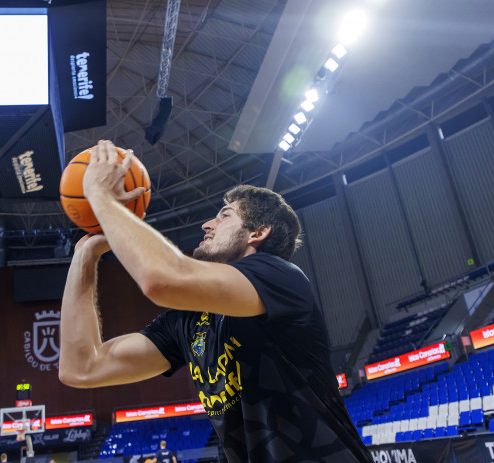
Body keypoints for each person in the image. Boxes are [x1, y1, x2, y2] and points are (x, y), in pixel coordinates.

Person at [59, 140, 372, 462]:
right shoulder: (188, 320)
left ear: (257, 233)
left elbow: (162, 279)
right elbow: (81, 368)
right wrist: (84, 257)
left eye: (224, 216)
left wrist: (101, 197)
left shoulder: (280, 277)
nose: (207, 224)